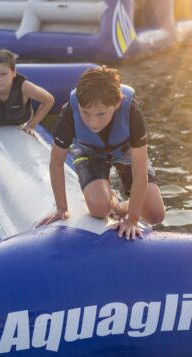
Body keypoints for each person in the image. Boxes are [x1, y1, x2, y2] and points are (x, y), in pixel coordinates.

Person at [38, 66, 165, 239]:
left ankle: (121, 207)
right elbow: (57, 162)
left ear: (118, 103)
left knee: (155, 214)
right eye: (86, 113)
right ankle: (109, 199)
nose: (93, 122)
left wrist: (132, 219)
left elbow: (139, 171)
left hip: (125, 151)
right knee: (100, 209)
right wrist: (61, 208)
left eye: (101, 114)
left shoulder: (132, 113)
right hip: (88, 151)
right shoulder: (69, 112)